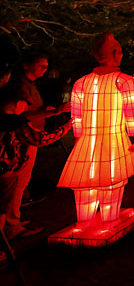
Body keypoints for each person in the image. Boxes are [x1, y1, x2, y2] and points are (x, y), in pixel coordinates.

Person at [57, 33, 134, 225]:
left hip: (86, 144)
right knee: (113, 180)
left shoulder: (81, 82)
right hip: (114, 141)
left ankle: (84, 221)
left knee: (85, 182)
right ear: (113, 54)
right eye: (119, 52)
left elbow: (76, 117)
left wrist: (79, 137)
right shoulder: (124, 81)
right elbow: (132, 112)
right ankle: (109, 221)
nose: (121, 55)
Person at [4, 53, 70, 240]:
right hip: (21, 141)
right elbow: (21, 116)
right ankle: (10, 225)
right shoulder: (19, 87)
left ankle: (13, 219)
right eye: (40, 65)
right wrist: (56, 116)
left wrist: (46, 112)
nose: (44, 70)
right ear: (26, 65)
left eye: (46, 66)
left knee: (22, 181)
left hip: (28, 137)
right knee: (16, 182)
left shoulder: (30, 85)